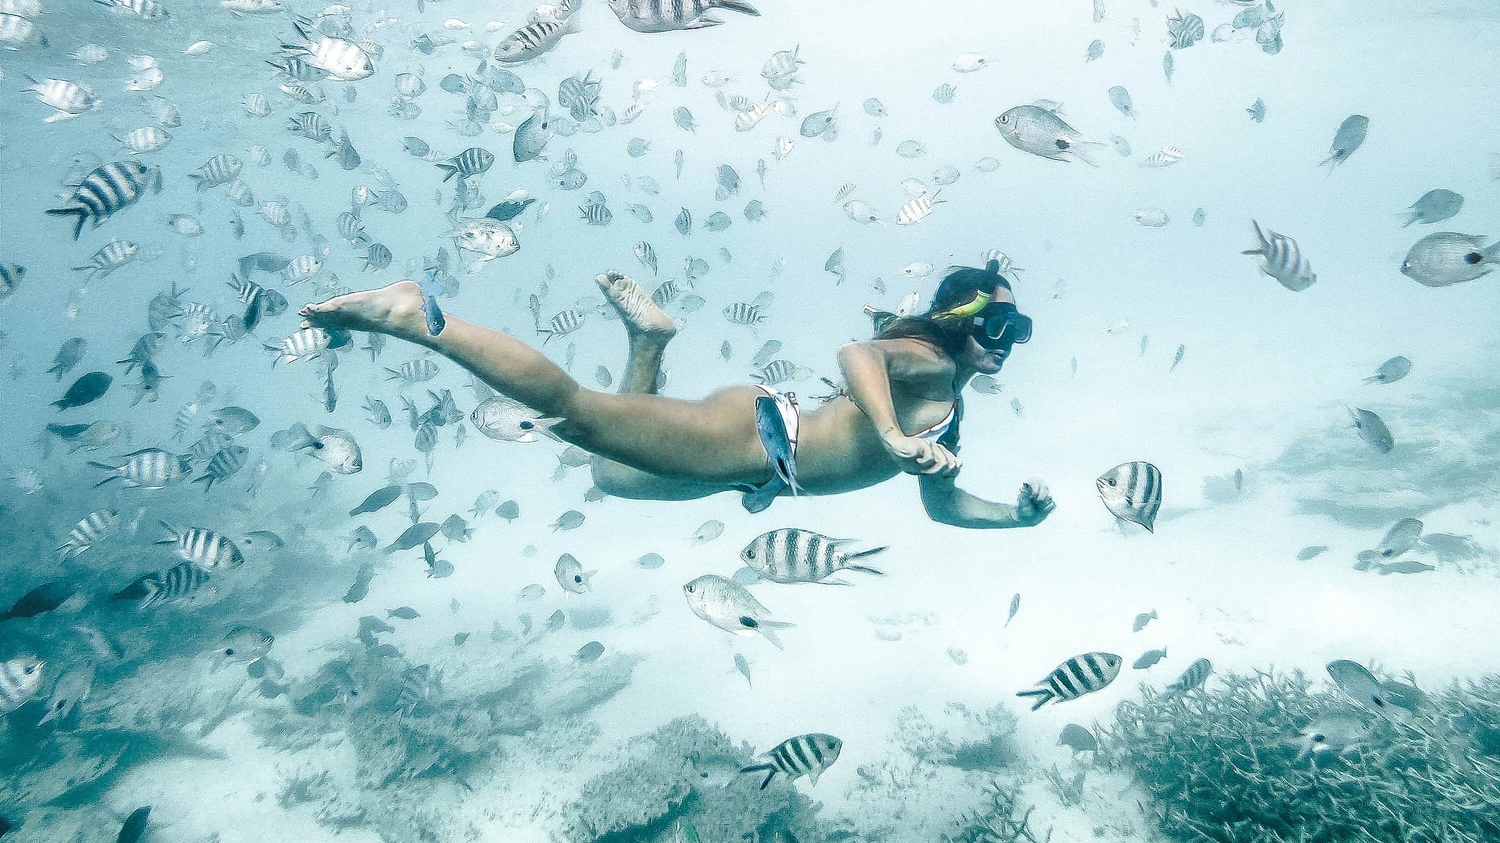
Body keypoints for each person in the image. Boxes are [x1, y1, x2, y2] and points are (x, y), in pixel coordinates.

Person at [302, 258, 1054, 529]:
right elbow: (858, 354)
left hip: (758, 468)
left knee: (610, 476)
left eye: (1017, 330)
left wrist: (1013, 517)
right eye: (994, 323)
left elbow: (943, 507)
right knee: (577, 416)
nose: (1005, 339)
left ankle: (648, 341)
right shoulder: (928, 363)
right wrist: (891, 435)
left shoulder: (952, 403)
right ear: (958, 319)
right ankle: (415, 316)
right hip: (755, 438)